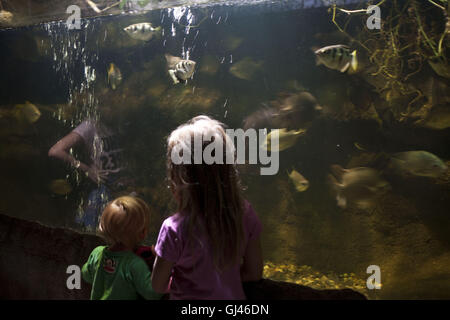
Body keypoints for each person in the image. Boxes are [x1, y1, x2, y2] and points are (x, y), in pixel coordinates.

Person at [151, 115, 263, 299]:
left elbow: (157, 285)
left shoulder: (173, 229)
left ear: (179, 176)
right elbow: (254, 272)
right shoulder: (244, 213)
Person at [48, 107, 130, 230]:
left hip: (122, 186)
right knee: (98, 229)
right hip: (102, 187)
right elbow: (55, 151)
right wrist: (87, 170)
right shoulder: (89, 126)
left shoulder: (118, 123)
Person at [81, 196, 162, 300]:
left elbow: (86, 274)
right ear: (143, 233)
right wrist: (160, 264)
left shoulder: (97, 253)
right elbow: (152, 294)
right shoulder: (134, 264)